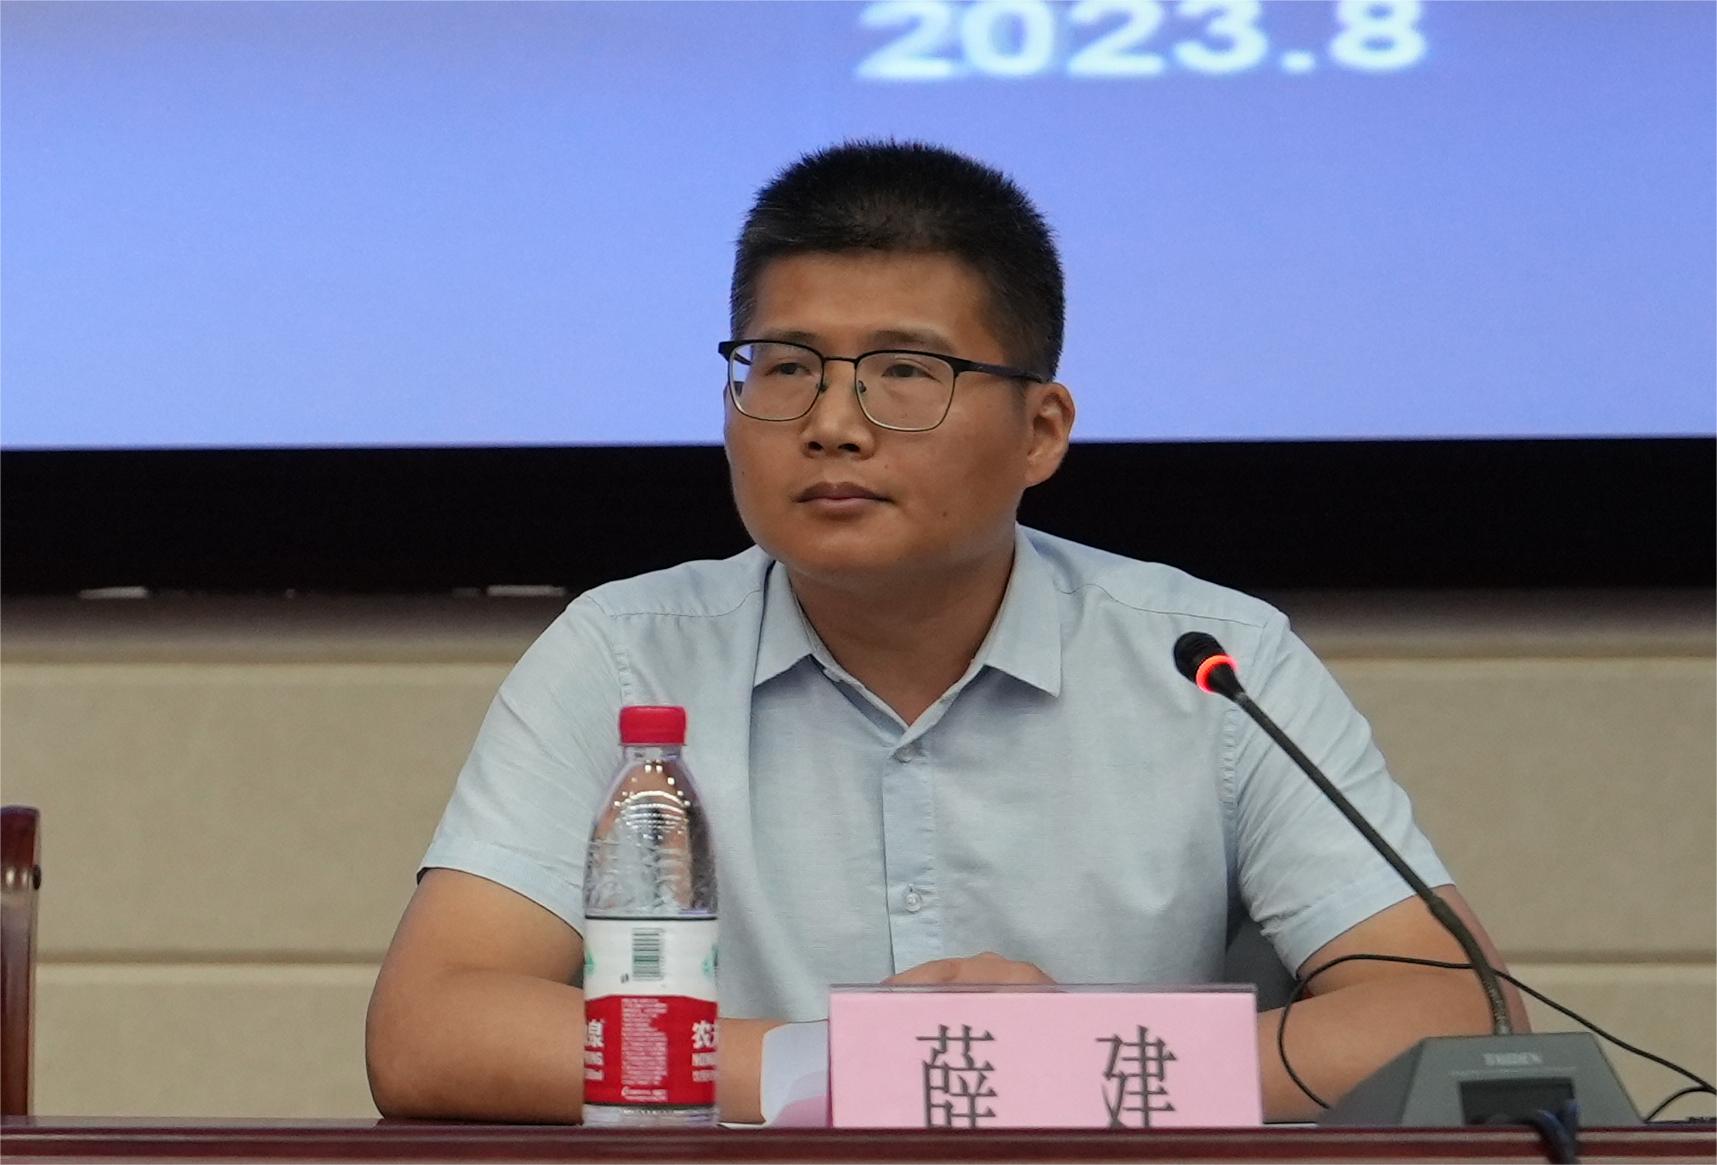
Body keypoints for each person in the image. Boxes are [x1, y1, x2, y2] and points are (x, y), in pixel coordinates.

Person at [365, 140, 1525, 1125]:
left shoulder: (1211, 662)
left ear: (1041, 430)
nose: (832, 423)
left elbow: (1450, 1012)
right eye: (786, 367)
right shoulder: (626, 652)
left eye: (905, 372)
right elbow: (435, 1028)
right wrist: (844, 1068)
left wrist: (1067, 1071)